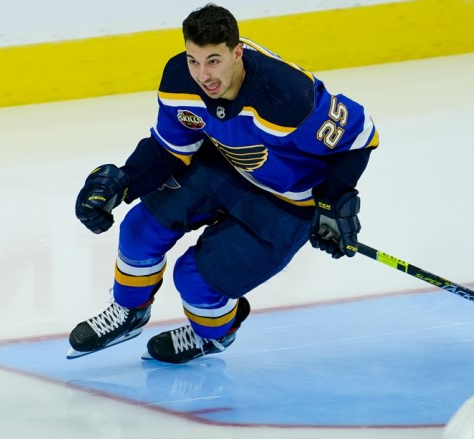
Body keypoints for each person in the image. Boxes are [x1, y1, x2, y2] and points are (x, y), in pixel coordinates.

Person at [67, 3, 379, 364]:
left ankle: (214, 332)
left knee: (195, 280)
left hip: (286, 203)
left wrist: (333, 198)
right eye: (193, 60)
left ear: (237, 52)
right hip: (227, 165)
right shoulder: (180, 81)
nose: (203, 75)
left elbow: (359, 137)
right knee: (140, 229)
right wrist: (124, 182)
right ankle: (129, 311)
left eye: (214, 60)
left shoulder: (287, 97)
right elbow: (171, 150)